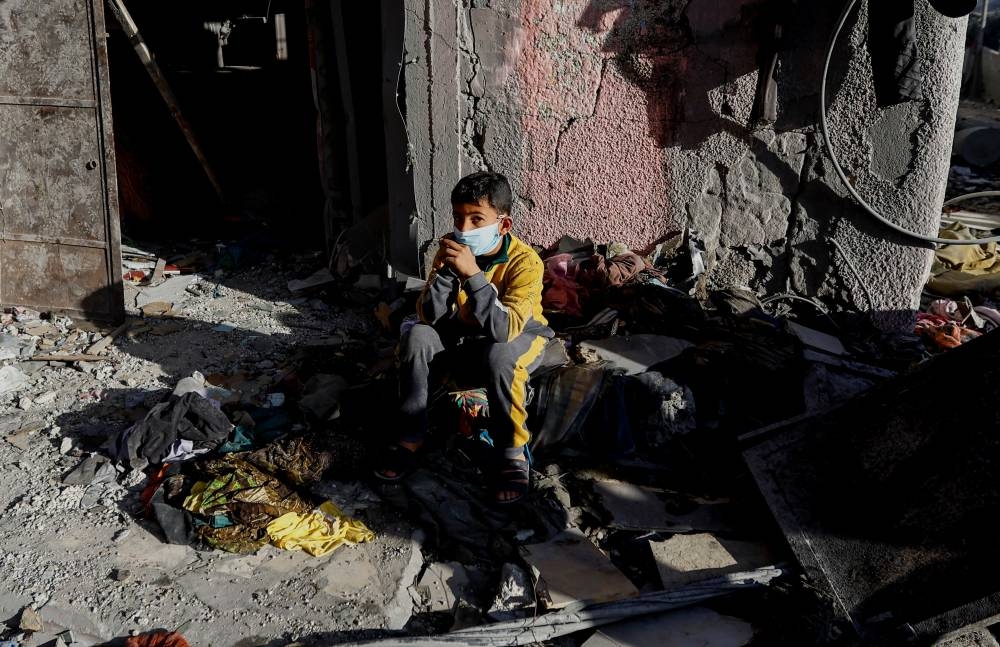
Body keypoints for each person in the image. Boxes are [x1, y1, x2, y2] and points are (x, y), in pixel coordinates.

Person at [375, 171, 553, 504]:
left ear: (503, 224)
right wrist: (445, 272)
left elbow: (505, 330)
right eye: (459, 218)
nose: (464, 229)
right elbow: (431, 316)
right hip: (466, 337)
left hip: (518, 336)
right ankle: (410, 437)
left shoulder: (525, 262)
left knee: (500, 356)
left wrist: (472, 275)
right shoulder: (450, 248)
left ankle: (512, 453)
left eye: (476, 219)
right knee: (417, 336)